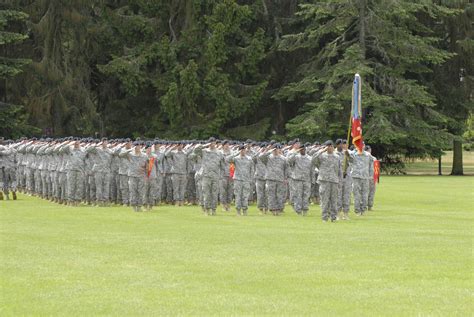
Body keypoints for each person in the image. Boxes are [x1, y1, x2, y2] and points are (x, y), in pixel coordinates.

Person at [191, 138, 225, 215]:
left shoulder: (219, 153)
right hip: (206, 175)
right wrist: (205, 145)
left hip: (215, 175)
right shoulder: (204, 151)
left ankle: (213, 209)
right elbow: (195, 150)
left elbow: (222, 165)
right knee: (206, 193)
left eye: (214, 143)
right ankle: (207, 209)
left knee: (214, 193)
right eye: (211, 143)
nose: (212, 144)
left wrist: (222, 175)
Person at [313, 140, 342, 222]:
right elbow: (313, 159)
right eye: (328, 146)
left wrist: (340, 181)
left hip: (334, 181)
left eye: (331, 146)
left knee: (334, 200)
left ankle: (333, 217)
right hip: (324, 181)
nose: (330, 148)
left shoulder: (337, 157)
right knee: (325, 200)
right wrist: (321, 151)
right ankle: (325, 217)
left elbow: (339, 170)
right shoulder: (321, 156)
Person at [259, 143, 288, 216]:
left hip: (280, 179)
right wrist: (269, 150)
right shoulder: (268, 157)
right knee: (271, 195)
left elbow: (286, 169)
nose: (276, 151)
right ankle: (272, 209)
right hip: (270, 179)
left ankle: (278, 209)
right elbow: (261, 157)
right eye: (275, 149)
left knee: (279, 195)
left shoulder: (283, 158)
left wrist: (286, 178)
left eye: (277, 149)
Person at [226, 145, 254, 215]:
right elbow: (227, 159)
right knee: (238, 195)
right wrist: (236, 153)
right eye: (241, 150)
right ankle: (238, 210)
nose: (243, 151)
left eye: (244, 150)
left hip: (246, 179)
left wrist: (251, 179)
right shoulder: (236, 158)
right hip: (238, 179)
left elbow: (252, 169)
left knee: (245, 195)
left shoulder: (249, 159)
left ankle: (245, 210)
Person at [347, 145, 373, 215]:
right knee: (356, 194)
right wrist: (347, 154)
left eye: (362, 144)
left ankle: (363, 209)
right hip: (356, 177)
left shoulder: (368, 155)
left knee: (365, 194)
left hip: (365, 177)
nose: (361, 146)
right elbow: (349, 160)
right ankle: (357, 210)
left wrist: (371, 176)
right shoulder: (353, 154)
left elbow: (371, 166)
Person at [366, 145, 377, 211]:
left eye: (369, 149)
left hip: (372, 177)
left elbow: (376, 168)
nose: (369, 151)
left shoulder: (374, 158)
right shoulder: (364, 157)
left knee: (372, 192)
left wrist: (376, 178)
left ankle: (370, 206)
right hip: (366, 177)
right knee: (365, 192)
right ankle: (364, 205)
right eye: (368, 150)